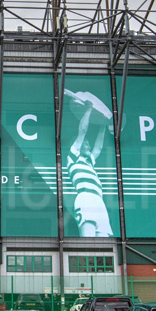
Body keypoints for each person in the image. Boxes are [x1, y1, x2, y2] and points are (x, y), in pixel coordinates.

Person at [66, 100, 113, 237]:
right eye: (85, 143)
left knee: (104, 240)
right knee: (88, 238)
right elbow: (82, 131)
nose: (88, 145)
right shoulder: (73, 158)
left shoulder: (89, 161)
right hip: (85, 198)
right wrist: (89, 109)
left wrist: (103, 126)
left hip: (99, 201)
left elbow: (98, 147)